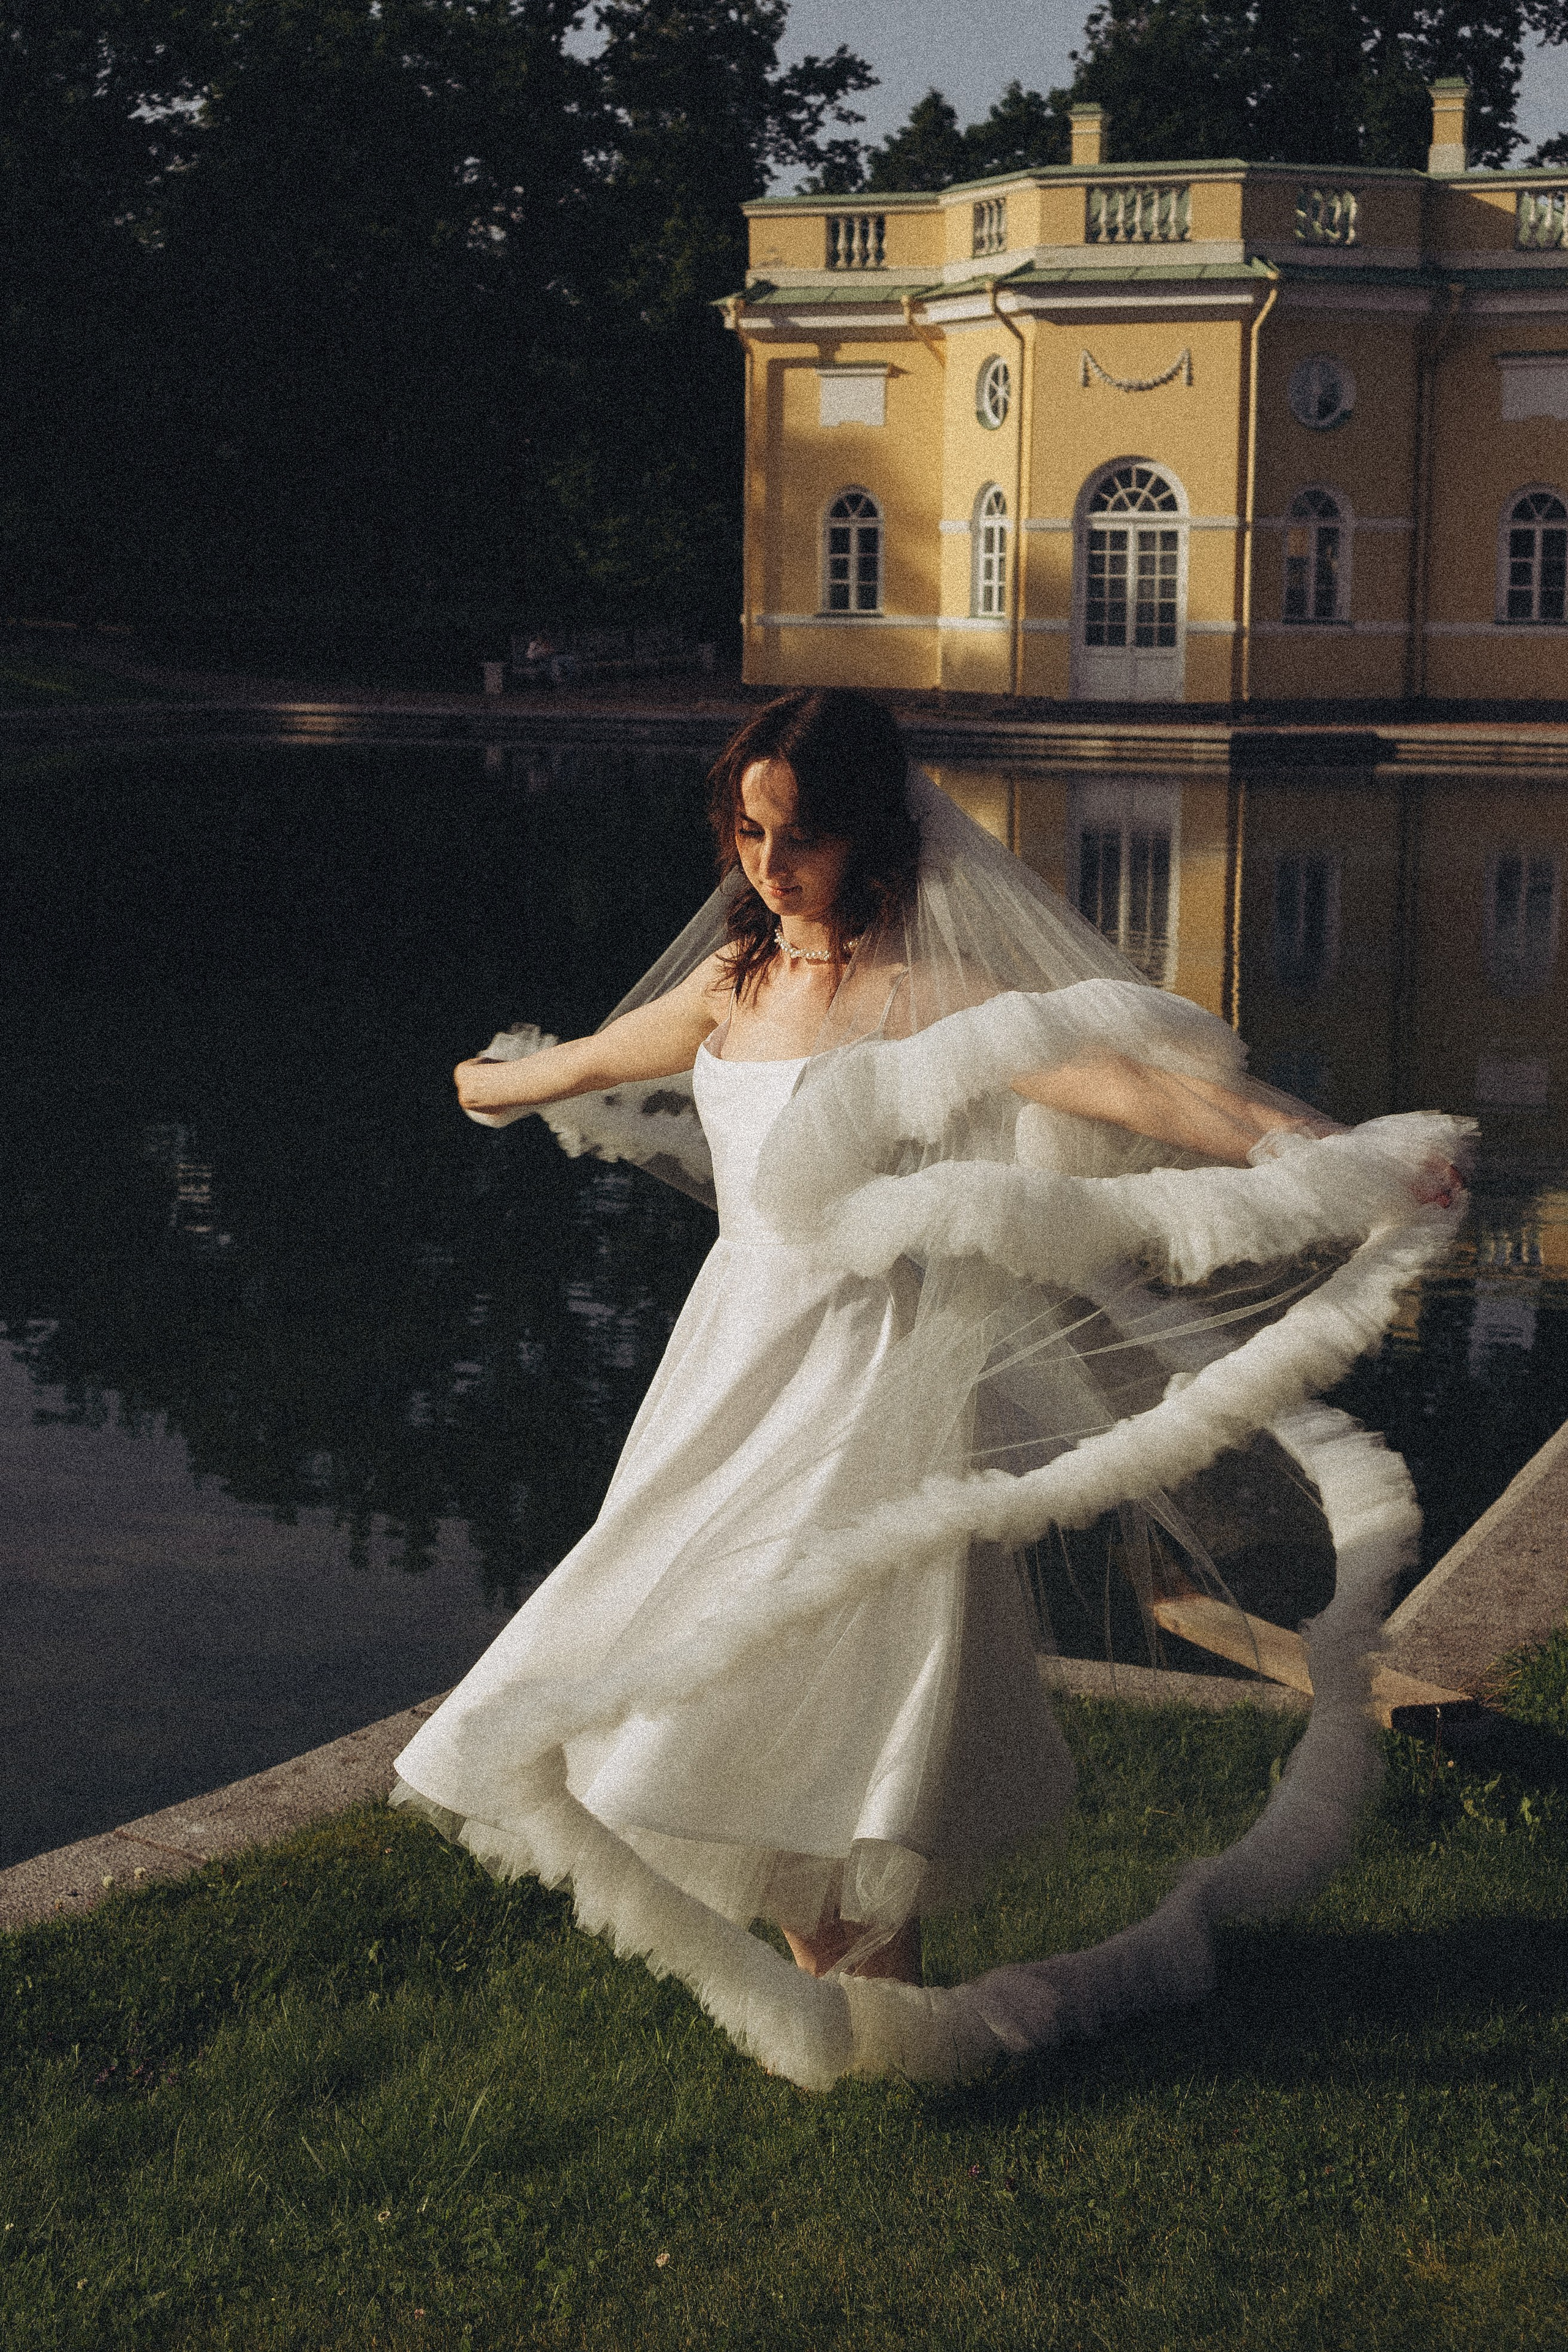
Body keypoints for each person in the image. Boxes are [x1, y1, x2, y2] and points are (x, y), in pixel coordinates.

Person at [393, 689, 1466, 2090]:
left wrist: (1343, 1156)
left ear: (868, 837)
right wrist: (484, 1082)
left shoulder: (923, 993)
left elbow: (1154, 1096)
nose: (769, 866)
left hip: (871, 1380)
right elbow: (590, 1064)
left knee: (850, 1663)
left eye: (799, 837)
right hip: (730, 1367)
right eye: (747, 830)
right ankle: (832, 1998)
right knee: (710, 1638)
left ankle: (875, 2007)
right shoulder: (733, 983)